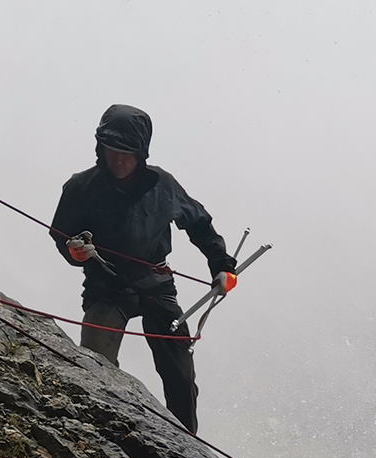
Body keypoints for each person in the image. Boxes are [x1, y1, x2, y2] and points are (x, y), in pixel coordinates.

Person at [50, 104, 238, 433]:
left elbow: (199, 224)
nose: (118, 160)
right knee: (94, 365)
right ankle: (100, 435)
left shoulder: (163, 185)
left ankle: (187, 441)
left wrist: (222, 266)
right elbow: (62, 235)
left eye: (126, 153)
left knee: (179, 372)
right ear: (100, 148)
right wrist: (76, 254)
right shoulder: (81, 187)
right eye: (111, 150)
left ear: (141, 153)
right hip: (106, 287)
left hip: (155, 282)